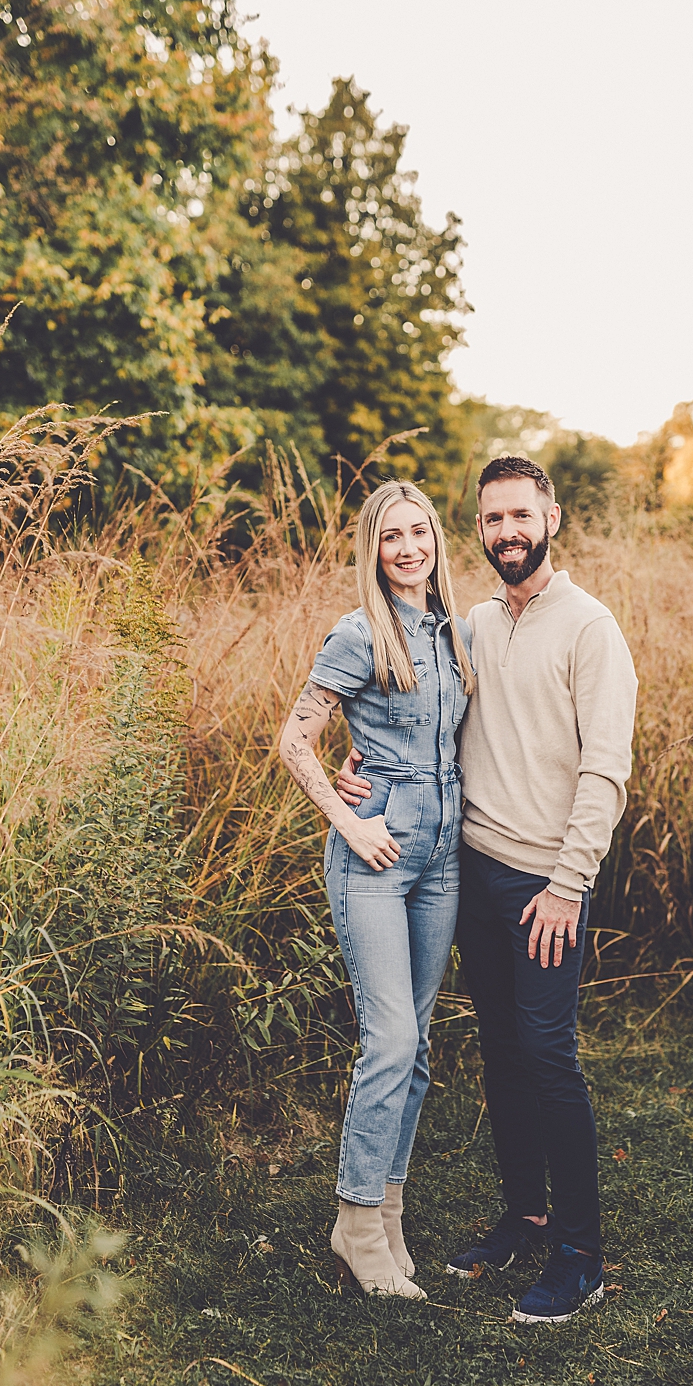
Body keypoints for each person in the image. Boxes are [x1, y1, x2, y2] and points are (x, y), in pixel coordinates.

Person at [339, 456, 637, 1323]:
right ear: (477, 530)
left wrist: (569, 884)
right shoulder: (468, 624)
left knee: (549, 1055)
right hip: (472, 867)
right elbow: (420, 713)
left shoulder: (591, 629)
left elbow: (605, 773)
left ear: (552, 516)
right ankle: (525, 1216)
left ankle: (579, 1254)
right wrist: (363, 760)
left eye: (520, 515)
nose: (506, 532)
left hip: (549, 884)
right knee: (500, 1051)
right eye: (491, 519)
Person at [278, 480, 475, 1300]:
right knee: (389, 1040)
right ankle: (355, 1219)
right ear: (373, 547)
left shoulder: (453, 634)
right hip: (377, 854)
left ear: (435, 539)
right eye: (390, 536)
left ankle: (388, 1214)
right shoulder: (360, 635)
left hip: (442, 855)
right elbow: (293, 739)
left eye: (418, 532)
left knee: (418, 1047)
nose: (406, 548)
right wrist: (346, 818)